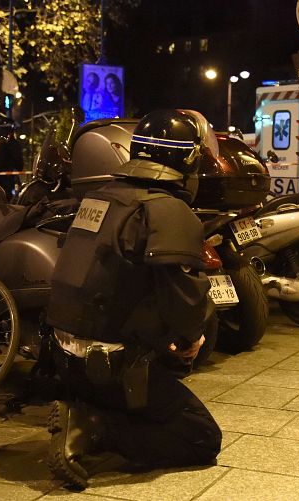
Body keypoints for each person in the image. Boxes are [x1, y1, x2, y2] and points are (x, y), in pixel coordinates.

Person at [46, 109, 222, 489]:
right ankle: (94, 428)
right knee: (201, 436)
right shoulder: (167, 210)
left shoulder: (99, 197)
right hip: (113, 367)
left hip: (66, 359)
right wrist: (191, 338)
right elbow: (183, 299)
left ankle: (90, 410)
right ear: (186, 160)